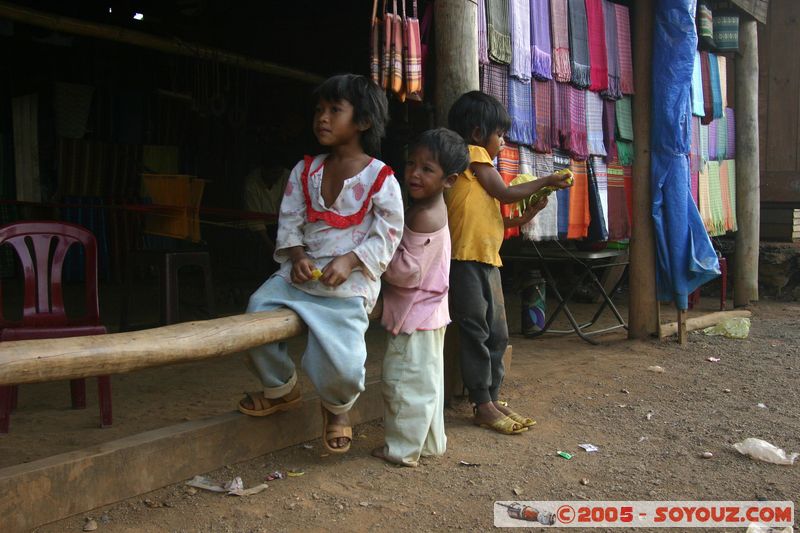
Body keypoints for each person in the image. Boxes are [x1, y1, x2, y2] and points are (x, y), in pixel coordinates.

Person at [238, 74, 404, 454]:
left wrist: (351, 259)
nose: (322, 118)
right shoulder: (305, 170)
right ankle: (282, 388)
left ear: (362, 121)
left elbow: (390, 232)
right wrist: (296, 256)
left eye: (334, 110)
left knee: (344, 365)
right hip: (297, 276)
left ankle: (336, 408)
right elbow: (291, 219)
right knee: (253, 315)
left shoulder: (381, 178)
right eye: (319, 110)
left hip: (349, 282)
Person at [446, 91, 573, 435]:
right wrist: (547, 179)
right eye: (499, 134)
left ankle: (491, 397)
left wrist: (524, 217)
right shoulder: (471, 155)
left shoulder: (479, 173)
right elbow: (503, 193)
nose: (502, 141)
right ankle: (481, 402)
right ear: (476, 134)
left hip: (487, 258)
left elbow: (490, 216)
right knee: (476, 329)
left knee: (497, 333)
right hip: (465, 260)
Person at [372, 128, 469, 467]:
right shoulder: (427, 209)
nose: (414, 173)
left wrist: (374, 257)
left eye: (427, 169)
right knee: (426, 382)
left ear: (449, 179)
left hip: (415, 316)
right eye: (411, 163)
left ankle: (401, 450)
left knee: (404, 384)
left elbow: (406, 271)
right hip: (429, 313)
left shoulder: (425, 215)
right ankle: (430, 443)